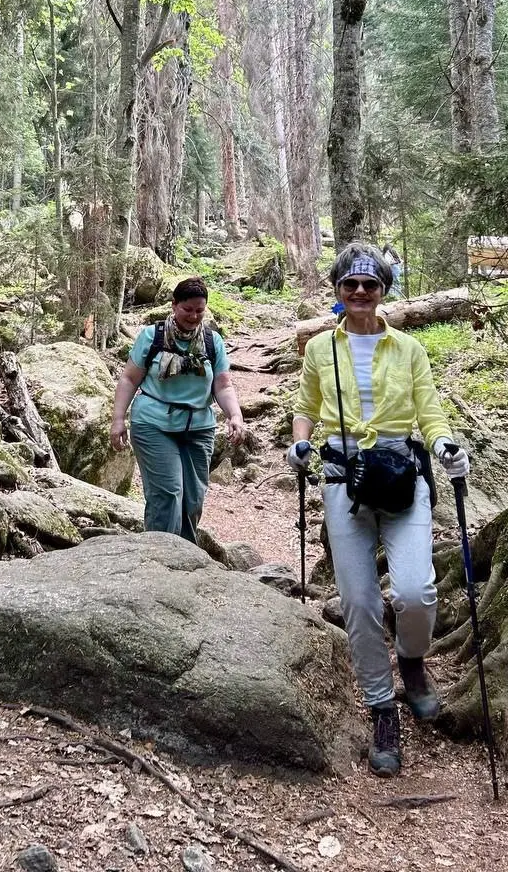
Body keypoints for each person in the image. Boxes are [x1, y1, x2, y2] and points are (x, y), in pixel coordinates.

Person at [286, 241, 470, 778]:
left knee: (416, 591)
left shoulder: (409, 349)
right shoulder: (321, 349)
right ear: (339, 293)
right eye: (351, 285)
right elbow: (305, 409)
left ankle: (412, 661)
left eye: (370, 285)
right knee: (360, 602)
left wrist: (444, 446)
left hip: (401, 478)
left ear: (384, 291)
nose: (361, 292)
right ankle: (381, 707)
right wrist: (299, 446)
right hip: (344, 481)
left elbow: (430, 413)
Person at [111, 276, 245, 543]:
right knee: (168, 493)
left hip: (199, 427)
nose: (194, 316)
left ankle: (185, 558)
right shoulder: (153, 336)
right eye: (187, 310)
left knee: (193, 499)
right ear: (174, 306)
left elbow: (222, 384)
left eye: (199, 311)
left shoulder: (211, 341)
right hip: (153, 424)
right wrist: (118, 419)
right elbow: (129, 379)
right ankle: (159, 559)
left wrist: (235, 415)